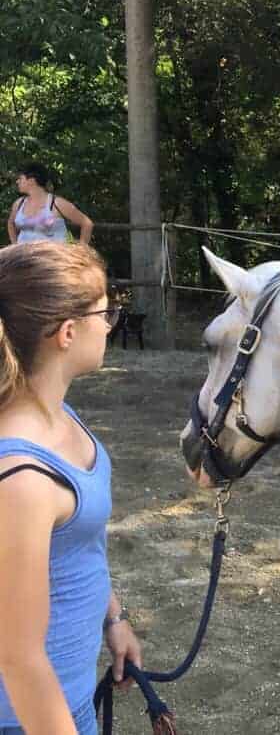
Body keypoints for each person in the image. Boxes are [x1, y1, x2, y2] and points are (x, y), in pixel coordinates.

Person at [0, 242, 142, 735]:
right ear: (66, 333)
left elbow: (76, 548)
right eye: (105, 312)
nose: (109, 323)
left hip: (71, 693)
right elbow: (17, 658)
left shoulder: (59, 415)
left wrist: (113, 618)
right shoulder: (22, 477)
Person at [7, 163, 94, 245]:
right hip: (25, 259)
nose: (17, 182)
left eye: (20, 178)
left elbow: (87, 224)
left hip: (53, 259)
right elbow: (11, 223)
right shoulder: (19, 203)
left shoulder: (57, 203)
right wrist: (15, 246)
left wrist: (80, 252)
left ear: (31, 180)